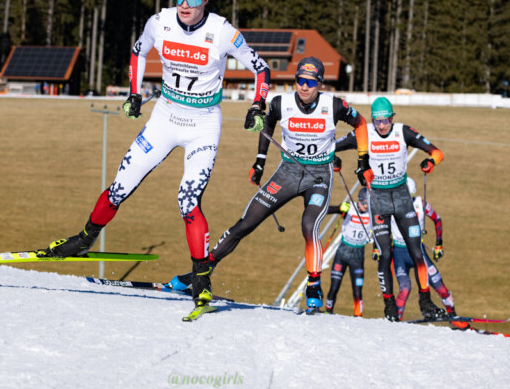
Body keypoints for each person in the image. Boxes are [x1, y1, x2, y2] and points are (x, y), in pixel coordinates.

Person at [40, 0, 271, 313]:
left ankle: (201, 278)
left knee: (187, 201)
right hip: (164, 119)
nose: (184, 6)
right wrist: (134, 93)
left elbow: (260, 68)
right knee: (119, 187)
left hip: (202, 125)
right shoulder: (159, 22)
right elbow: (138, 52)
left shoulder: (222, 31)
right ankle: (85, 239)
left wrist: (258, 104)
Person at [170, 57, 371, 313]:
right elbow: (268, 123)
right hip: (287, 173)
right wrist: (260, 161)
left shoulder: (334, 105)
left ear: (319, 84)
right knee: (247, 222)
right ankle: (200, 272)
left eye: (310, 82)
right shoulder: (280, 103)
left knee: (309, 225)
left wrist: (363, 161)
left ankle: (313, 286)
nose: (304, 86)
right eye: (300, 80)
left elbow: (360, 124)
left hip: (319, 176)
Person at [335, 96, 446, 321]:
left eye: (385, 120)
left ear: (392, 118)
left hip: (402, 197)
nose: (382, 125)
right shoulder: (363, 133)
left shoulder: (403, 131)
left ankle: (426, 301)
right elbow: (330, 148)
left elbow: (437, 153)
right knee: (385, 254)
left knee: (417, 250)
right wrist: (334, 159)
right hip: (379, 200)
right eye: (377, 121)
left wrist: (430, 163)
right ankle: (389, 305)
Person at [392, 177, 455, 320]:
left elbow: (437, 219)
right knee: (405, 289)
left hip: (418, 251)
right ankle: (394, 321)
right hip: (400, 253)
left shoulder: (421, 204)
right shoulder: (392, 205)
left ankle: (454, 318)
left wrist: (439, 244)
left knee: (440, 288)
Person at [325, 187, 371, 317]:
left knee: (357, 290)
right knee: (334, 286)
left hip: (358, 256)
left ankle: (358, 315)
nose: (366, 206)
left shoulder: (373, 213)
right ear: (358, 200)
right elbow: (326, 211)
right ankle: (328, 311)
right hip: (343, 253)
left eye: (368, 203)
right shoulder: (350, 207)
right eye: (364, 203)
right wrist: (339, 208)